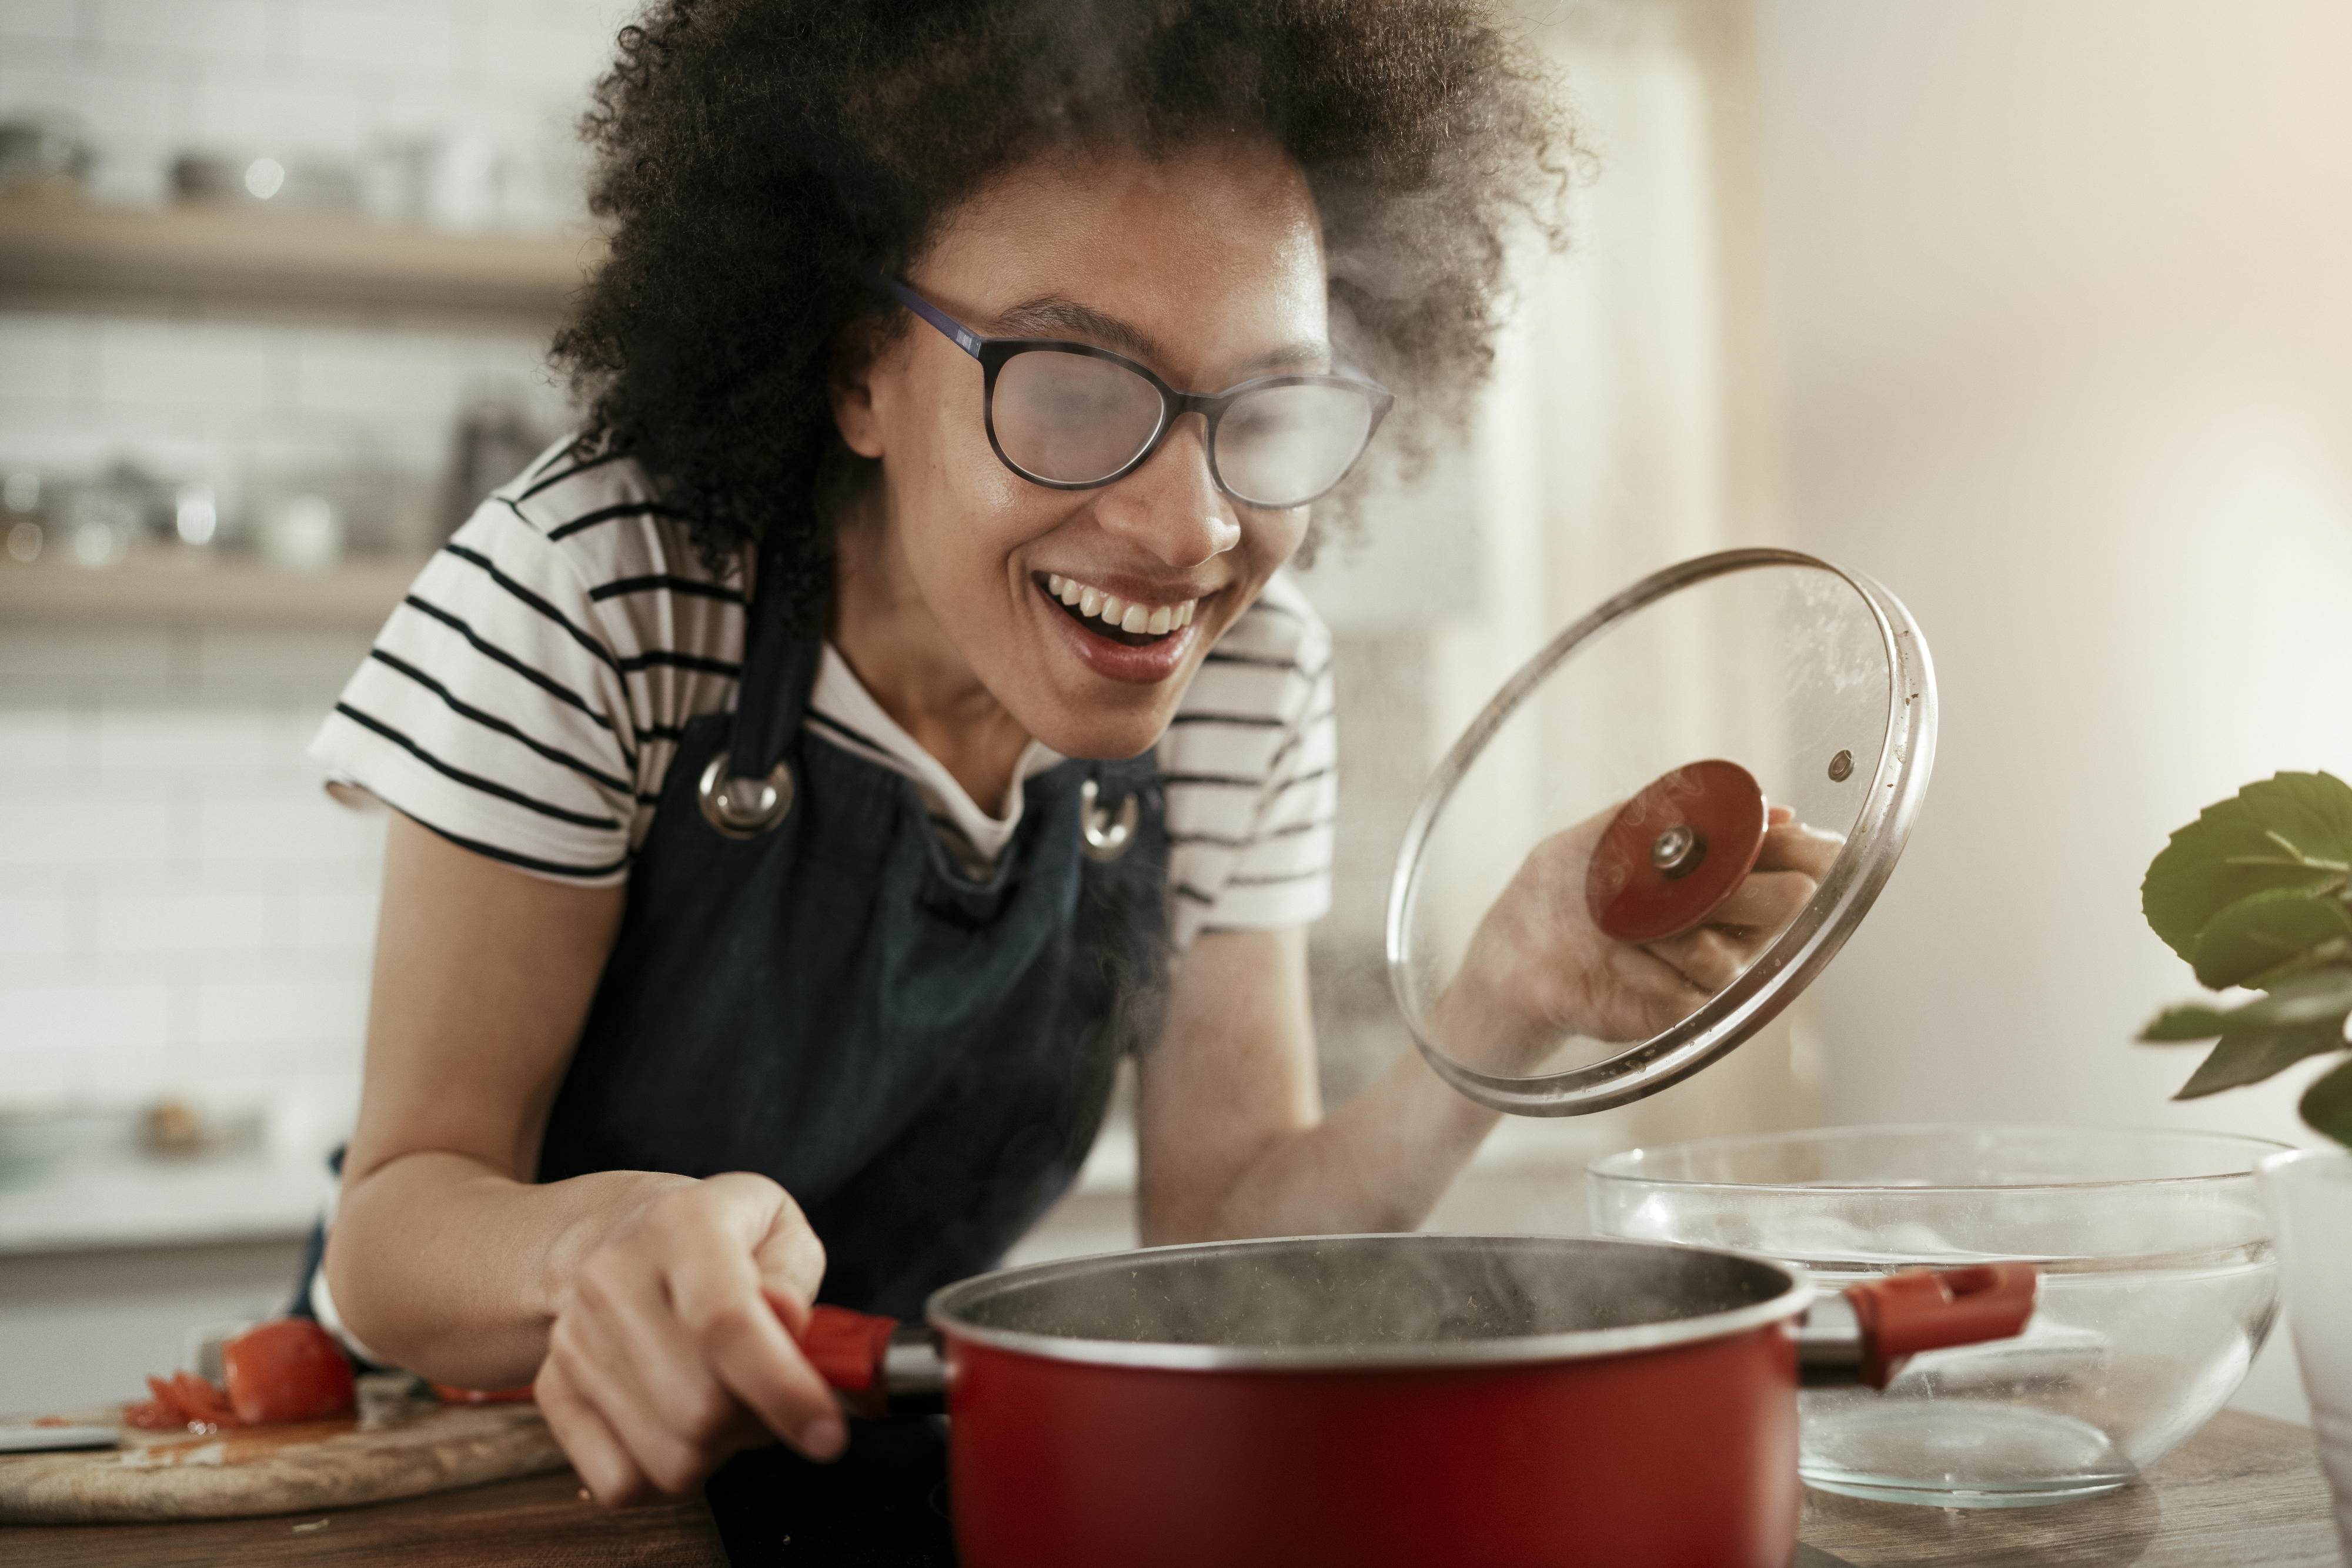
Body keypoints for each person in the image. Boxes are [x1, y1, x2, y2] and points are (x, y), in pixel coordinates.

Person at [304, 0, 1830, 1509]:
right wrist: (592, 1247)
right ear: (858, 372)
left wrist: (1509, 995)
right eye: (1077, 389)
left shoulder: (1251, 677)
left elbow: (1227, 1232)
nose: (1195, 533)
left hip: (862, 1448)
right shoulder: (605, 581)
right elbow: (396, 1223)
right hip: (470, 1478)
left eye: (1268, 406)